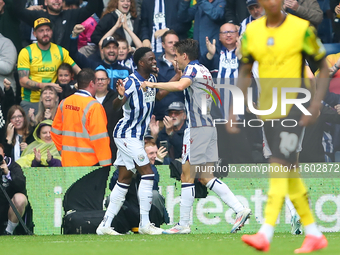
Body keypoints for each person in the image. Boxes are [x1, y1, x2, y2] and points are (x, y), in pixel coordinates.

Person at [229, 0, 329, 252]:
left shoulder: (301, 28)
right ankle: (313, 232)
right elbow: (244, 72)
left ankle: (266, 231)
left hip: (294, 109)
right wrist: (234, 108)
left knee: (278, 164)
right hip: (268, 113)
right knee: (289, 169)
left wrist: (315, 104)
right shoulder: (252, 32)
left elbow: (320, 68)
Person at [141, 39, 251, 234]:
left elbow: (181, 86)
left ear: (184, 56)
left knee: (187, 175)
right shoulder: (204, 70)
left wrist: (152, 83)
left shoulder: (191, 69)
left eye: (176, 56)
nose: (175, 60)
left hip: (197, 128)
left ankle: (183, 224)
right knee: (205, 177)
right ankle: (240, 209)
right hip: (209, 127)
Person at [96, 47, 172, 235]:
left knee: (124, 178)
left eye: (155, 59)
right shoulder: (130, 82)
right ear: (141, 63)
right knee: (147, 174)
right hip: (126, 135)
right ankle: (145, 224)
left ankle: (104, 225)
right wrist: (120, 95)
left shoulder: (152, 80)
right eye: (151, 59)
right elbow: (115, 106)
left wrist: (175, 77)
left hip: (135, 136)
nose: (155, 62)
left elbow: (159, 95)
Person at [17, 18, 80, 115]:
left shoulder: (60, 51)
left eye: (48, 30)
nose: (45, 33)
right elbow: (22, 81)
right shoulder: (26, 52)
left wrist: (78, 84)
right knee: (30, 130)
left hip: (53, 102)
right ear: (34, 34)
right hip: (31, 101)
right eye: (41, 31)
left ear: (52, 32)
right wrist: (46, 86)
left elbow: (78, 71)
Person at [51, 68, 112, 167]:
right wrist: (106, 165)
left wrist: (63, 152)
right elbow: (100, 139)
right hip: (90, 165)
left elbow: (55, 132)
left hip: (68, 162)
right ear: (92, 83)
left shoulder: (64, 103)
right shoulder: (94, 106)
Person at [106, 141, 169, 234]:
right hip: (129, 208)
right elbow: (112, 186)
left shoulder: (150, 168)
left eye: (155, 153)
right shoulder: (124, 166)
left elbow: (154, 186)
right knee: (109, 198)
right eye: (151, 153)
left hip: (147, 208)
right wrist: (129, 173)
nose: (155, 156)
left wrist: (141, 172)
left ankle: (153, 226)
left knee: (155, 195)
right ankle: (119, 229)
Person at [15, 0, 103, 50]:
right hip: (43, 62)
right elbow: (17, 11)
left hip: (65, 66)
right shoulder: (38, 16)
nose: (57, 0)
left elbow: (91, 8)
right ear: (45, 2)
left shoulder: (71, 15)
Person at [70, 25, 131, 91]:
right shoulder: (93, 66)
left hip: (119, 100)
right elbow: (74, 54)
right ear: (102, 50)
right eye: (108, 47)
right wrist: (75, 35)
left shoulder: (127, 71)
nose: (111, 50)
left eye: (114, 47)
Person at [153, 30, 185, 127]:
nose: (173, 45)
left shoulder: (185, 64)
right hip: (159, 118)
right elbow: (157, 95)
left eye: (176, 43)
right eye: (170, 43)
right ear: (163, 45)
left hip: (181, 119)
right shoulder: (154, 65)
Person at [94, 69, 123, 162]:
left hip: (113, 146)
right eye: (97, 79)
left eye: (102, 79)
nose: (100, 82)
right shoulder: (88, 99)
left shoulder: (116, 98)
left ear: (108, 81)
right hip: (92, 146)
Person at [0, 143, 28, 235]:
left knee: (20, 198)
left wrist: (8, 173)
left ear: (3, 155)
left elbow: (21, 186)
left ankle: (8, 231)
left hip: (8, 206)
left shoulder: (13, 165)